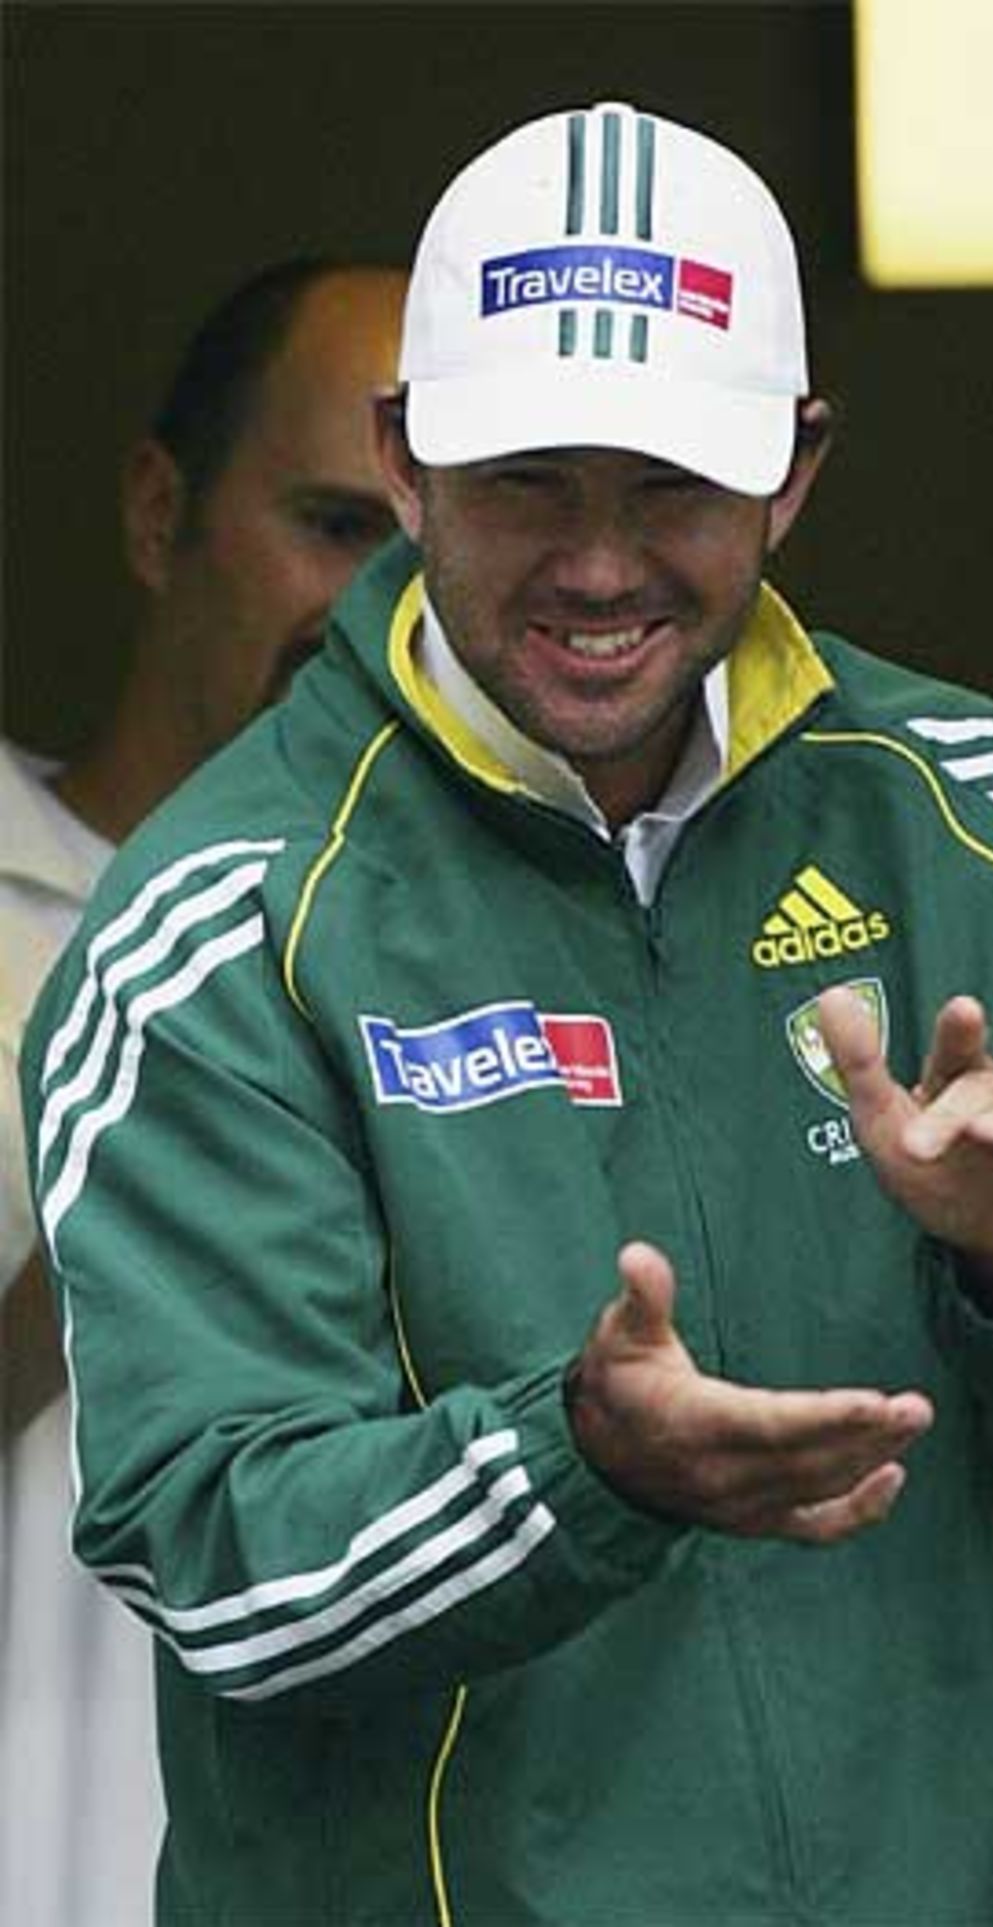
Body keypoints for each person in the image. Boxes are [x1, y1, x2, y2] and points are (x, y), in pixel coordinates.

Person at [18, 103, 993, 1927]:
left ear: (795, 469)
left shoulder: (981, 815)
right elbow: (227, 1570)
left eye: (671, 486)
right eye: (528, 479)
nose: (598, 566)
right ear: (407, 454)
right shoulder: (220, 917)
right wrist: (583, 1462)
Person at [1, 255, 405, 1927]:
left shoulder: (544, 963)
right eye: (333, 528)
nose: (382, 618)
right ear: (162, 515)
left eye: (433, 554)